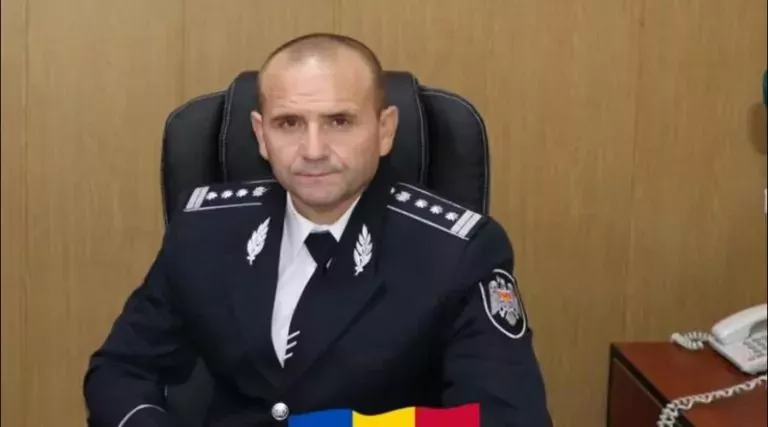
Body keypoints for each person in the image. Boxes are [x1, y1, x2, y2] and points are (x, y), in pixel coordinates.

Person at [83, 33, 552, 427]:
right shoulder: (205, 231)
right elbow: (120, 370)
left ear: (385, 130)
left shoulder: (458, 253)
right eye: (289, 123)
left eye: (339, 121)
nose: (313, 150)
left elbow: (507, 417)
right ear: (261, 135)